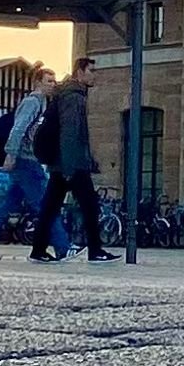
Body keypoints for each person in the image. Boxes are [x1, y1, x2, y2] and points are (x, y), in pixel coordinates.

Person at [31, 66, 114, 262]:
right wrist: (70, 166)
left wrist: (89, 159)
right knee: (90, 206)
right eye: (91, 70)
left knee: (50, 207)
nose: (95, 74)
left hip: (64, 163)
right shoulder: (73, 97)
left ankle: (38, 250)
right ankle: (96, 251)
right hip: (71, 164)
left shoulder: (70, 95)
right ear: (80, 73)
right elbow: (70, 132)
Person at [0, 82, 48, 255]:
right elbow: (18, 129)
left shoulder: (41, 103)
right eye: (49, 80)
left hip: (25, 160)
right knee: (44, 205)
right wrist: (11, 154)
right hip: (25, 160)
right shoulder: (32, 102)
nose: (53, 84)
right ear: (38, 83)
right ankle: (63, 246)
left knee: (7, 205)